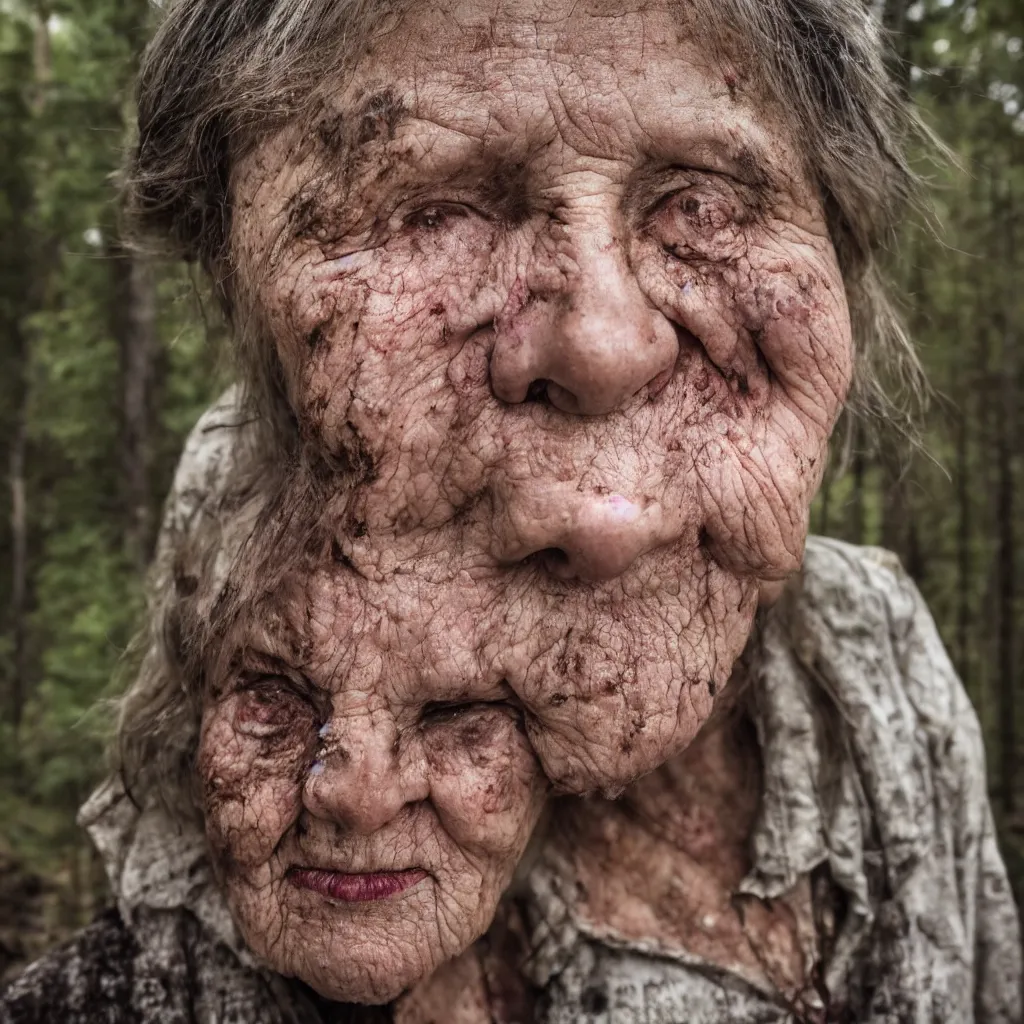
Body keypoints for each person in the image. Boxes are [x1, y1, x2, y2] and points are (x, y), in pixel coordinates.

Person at [2, 0, 1021, 1021]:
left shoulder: (873, 659)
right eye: (435, 211)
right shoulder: (248, 692)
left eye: (702, 205)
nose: (606, 338)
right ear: (235, 287)